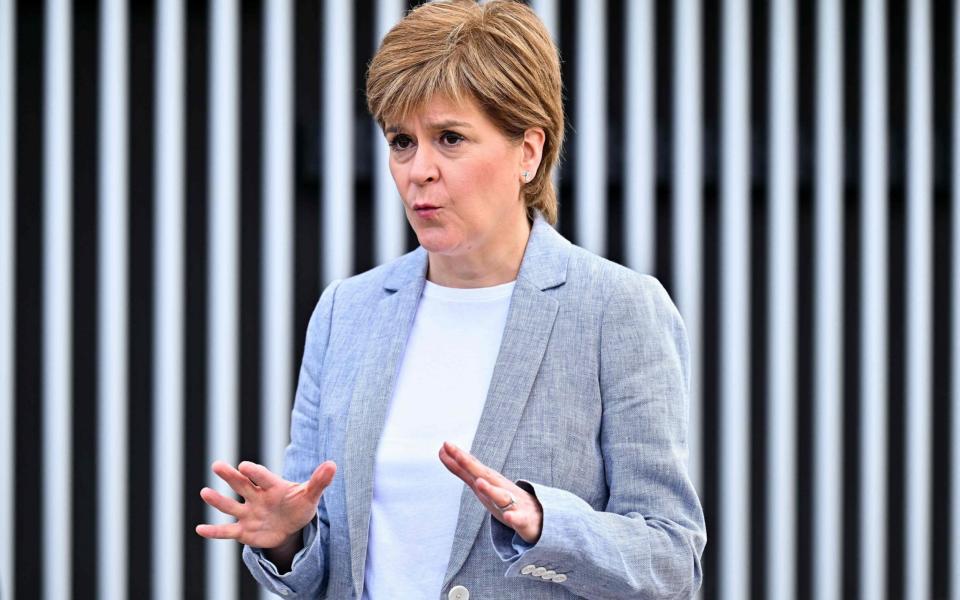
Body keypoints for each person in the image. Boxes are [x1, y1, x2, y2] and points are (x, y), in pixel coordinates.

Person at [196, 1, 706, 598]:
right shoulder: (347, 313)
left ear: (529, 152)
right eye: (402, 142)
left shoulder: (617, 310)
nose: (419, 171)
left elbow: (670, 560)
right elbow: (325, 557)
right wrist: (286, 538)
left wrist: (547, 525)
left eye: (450, 138)